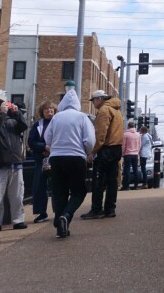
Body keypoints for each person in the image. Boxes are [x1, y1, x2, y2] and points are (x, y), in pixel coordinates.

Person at [43, 88, 95, 239]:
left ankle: (60, 228)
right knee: (79, 191)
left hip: (57, 158)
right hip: (76, 158)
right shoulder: (82, 117)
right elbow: (89, 140)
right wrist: (85, 152)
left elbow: (47, 138)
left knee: (60, 192)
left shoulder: (56, 117)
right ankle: (66, 215)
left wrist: (55, 147)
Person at [0, 99, 29, 233]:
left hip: (15, 163)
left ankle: (18, 220)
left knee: (17, 195)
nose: (2, 112)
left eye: (3, 109)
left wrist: (17, 113)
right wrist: (1, 115)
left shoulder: (12, 123)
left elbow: (24, 126)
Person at [81, 90, 124, 220]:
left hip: (106, 149)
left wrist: (92, 152)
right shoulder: (116, 110)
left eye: (93, 100)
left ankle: (96, 210)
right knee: (112, 181)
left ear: (99, 99)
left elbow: (100, 134)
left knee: (98, 180)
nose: (93, 103)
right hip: (116, 148)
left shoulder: (104, 111)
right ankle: (110, 209)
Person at [28, 101, 56, 223]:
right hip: (41, 159)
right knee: (39, 186)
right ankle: (41, 213)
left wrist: (52, 149)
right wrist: (44, 147)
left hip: (56, 159)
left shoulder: (58, 123)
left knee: (57, 186)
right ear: (42, 111)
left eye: (51, 109)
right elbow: (31, 141)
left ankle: (59, 211)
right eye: (46, 109)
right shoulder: (37, 125)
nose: (49, 111)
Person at [121, 120, 141, 190]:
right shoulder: (138, 134)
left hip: (128, 154)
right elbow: (139, 145)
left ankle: (126, 186)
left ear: (128, 126)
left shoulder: (125, 134)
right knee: (135, 170)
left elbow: (123, 145)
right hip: (135, 154)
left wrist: (123, 154)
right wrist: (137, 152)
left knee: (127, 170)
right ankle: (136, 185)